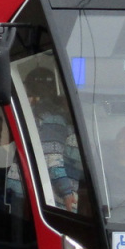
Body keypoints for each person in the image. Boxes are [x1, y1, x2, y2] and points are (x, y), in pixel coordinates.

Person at [22, 66, 83, 212]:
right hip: (55, 196)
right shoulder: (55, 120)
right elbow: (52, 158)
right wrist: (67, 193)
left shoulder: (69, 123)